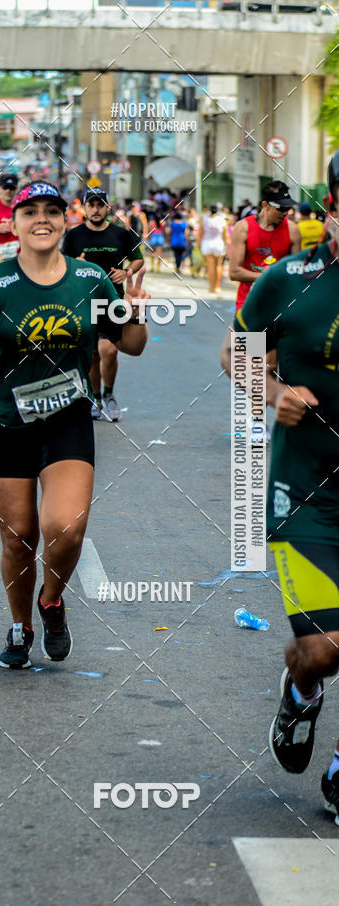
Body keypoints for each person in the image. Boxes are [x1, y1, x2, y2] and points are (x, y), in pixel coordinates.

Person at [0, 181, 149, 669]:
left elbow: (131, 344)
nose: (42, 219)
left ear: (64, 220)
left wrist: (136, 314)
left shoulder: (91, 280)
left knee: (66, 529)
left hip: (67, 420)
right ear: (15, 223)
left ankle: (51, 602)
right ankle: (20, 624)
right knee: (19, 538)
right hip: (7, 424)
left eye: (52, 210)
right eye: (29, 211)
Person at [219, 151, 339, 824]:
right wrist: (270, 391)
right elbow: (233, 353)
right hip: (308, 491)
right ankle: (300, 691)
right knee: (324, 648)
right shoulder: (290, 278)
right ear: (333, 207)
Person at [61, 187, 144, 422]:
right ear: (85, 208)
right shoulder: (74, 236)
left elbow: (138, 258)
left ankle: (109, 395)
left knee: (109, 349)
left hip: (113, 302)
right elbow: (62, 265)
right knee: (93, 355)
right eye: (91, 205)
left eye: (100, 205)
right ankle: (95, 399)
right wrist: (74, 265)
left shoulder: (122, 234)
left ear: (108, 207)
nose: (96, 209)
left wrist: (126, 271)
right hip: (84, 303)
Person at [229, 180, 301, 312]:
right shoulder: (242, 228)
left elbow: (296, 272)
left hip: (280, 305)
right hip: (249, 305)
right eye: (281, 208)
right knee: (242, 333)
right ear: (265, 205)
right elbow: (234, 272)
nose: (286, 213)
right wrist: (267, 277)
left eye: (288, 208)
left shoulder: (293, 230)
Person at [199, 205, 229, 294]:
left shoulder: (204, 219)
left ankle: (211, 287)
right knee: (219, 266)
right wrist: (228, 246)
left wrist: (197, 244)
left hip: (207, 243)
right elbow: (225, 234)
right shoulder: (222, 220)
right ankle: (217, 286)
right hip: (219, 243)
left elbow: (201, 233)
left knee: (210, 266)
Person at [168, 209, 189, 274]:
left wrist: (168, 238)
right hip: (182, 241)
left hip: (174, 240)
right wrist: (187, 241)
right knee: (181, 254)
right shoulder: (184, 224)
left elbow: (169, 232)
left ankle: (177, 267)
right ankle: (178, 267)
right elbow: (186, 233)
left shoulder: (173, 224)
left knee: (176, 254)